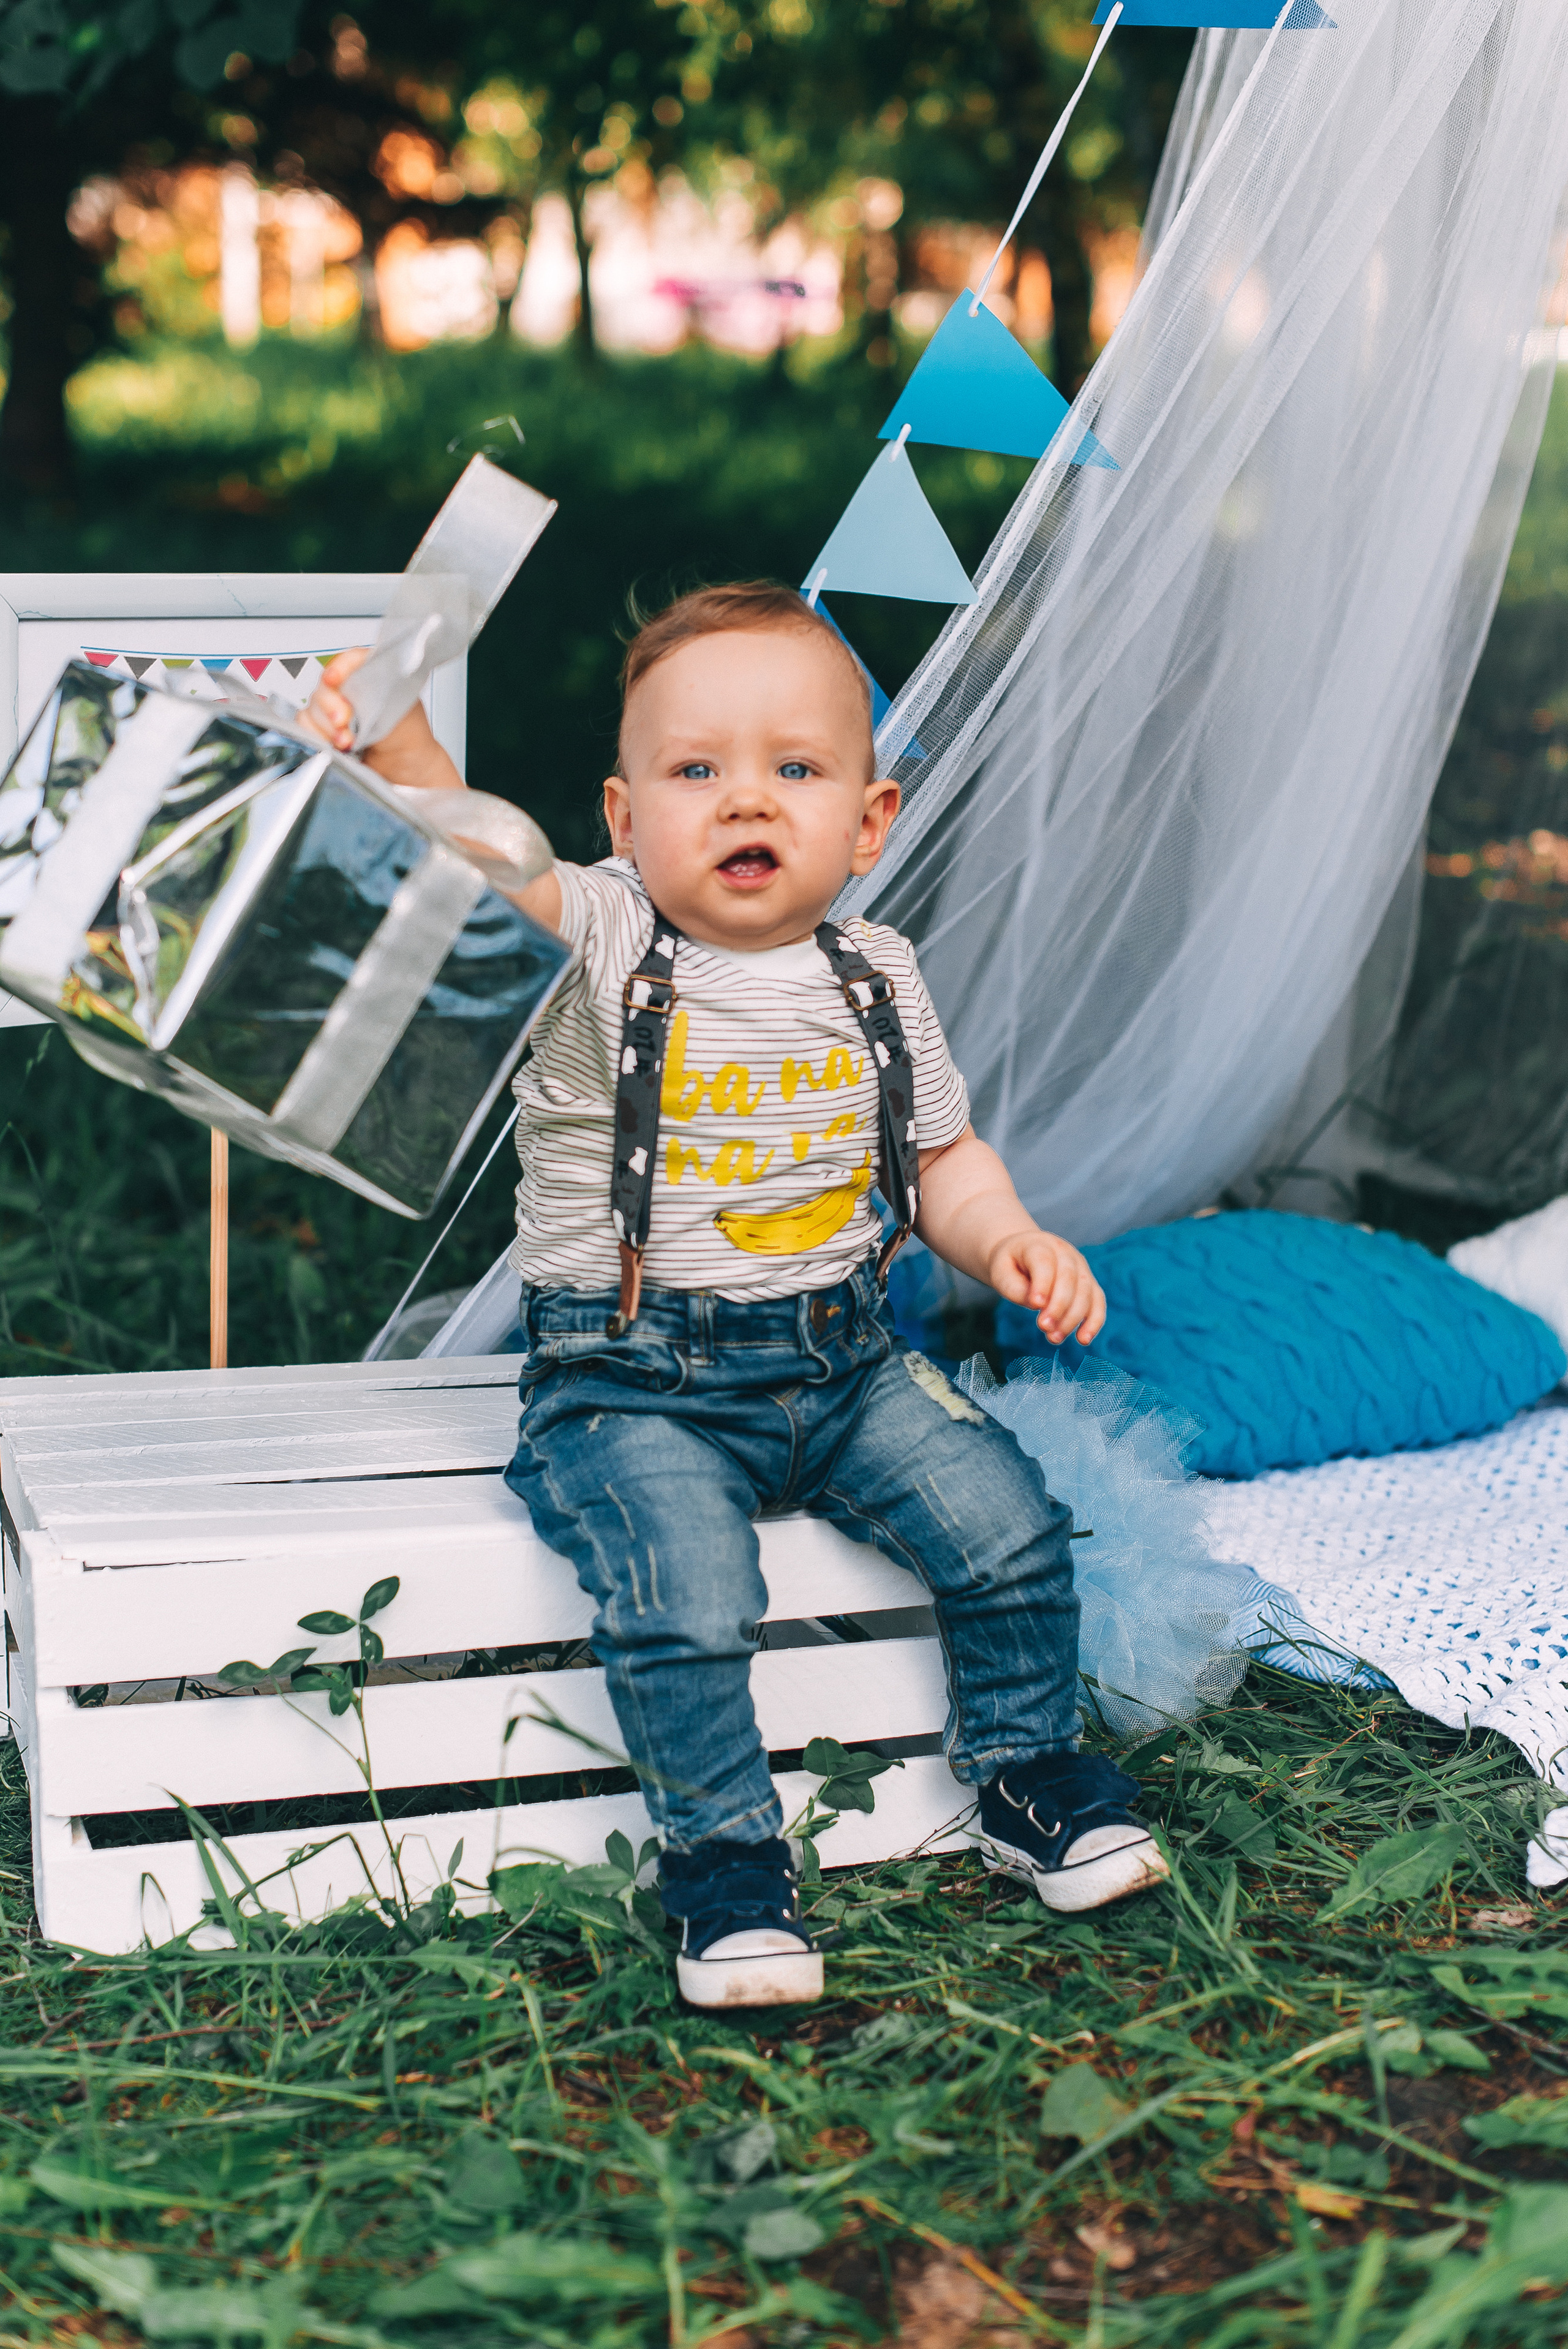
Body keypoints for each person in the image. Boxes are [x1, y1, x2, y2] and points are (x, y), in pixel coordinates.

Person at [307, 582, 1169, 2009]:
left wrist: (1004, 1235)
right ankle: (724, 1863)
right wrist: (401, 747)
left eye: (795, 767)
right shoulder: (601, 939)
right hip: (633, 1379)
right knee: (688, 1593)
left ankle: (1026, 1777)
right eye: (694, 768)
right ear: (624, 815)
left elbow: (938, 1156)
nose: (744, 798)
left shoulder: (878, 975)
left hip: (843, 1361)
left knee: (1006, 1523)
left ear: (868, 822)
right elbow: (493, 868)